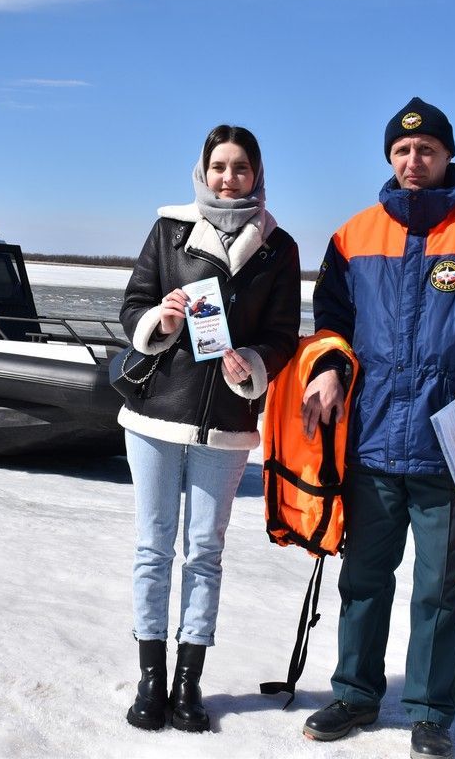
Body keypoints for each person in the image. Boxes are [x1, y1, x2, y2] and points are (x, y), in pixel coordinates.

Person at [299, 98, 455, 759]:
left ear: (448, 154)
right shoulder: (354, 235)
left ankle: (430, 712)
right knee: (364, 579)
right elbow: (329, 323)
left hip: (454, 449)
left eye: (427, 151)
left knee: (439, 589)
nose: (415, 162)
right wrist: (326, 367)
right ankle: (355, 693)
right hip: (374, 441)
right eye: (403, 152)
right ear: (390, 158)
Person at [119, 124, 302, 732]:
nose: (229, 178)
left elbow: (280, 337)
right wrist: (160, 320)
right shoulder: (169, 230)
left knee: (204, 552)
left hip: (226, 425)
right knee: (153, 548)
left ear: (257, 175)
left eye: (241, 168)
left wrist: (249, 363)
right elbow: (130, 307)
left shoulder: (279, 248)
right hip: (155, 417)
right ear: (203, 170)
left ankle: (188, 684)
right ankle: (151, 679)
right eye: (219, 166)